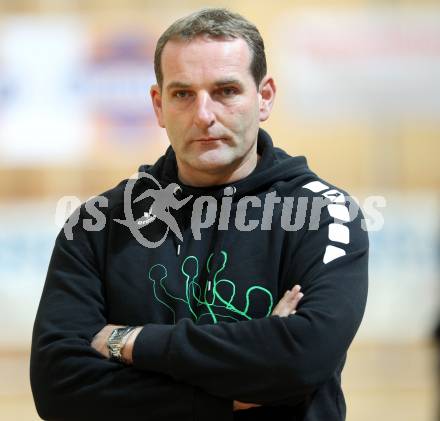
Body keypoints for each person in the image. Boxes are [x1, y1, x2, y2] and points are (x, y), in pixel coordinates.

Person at [30, 8, 369, 421]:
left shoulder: (322, 214)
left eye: (226, 91)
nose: (204, 115)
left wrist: (131, 343)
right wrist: (226, 398)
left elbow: (302, 355)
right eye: (183, 94)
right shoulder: (98, 225)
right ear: (158, 105)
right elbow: (60, 390)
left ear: (264, 97)